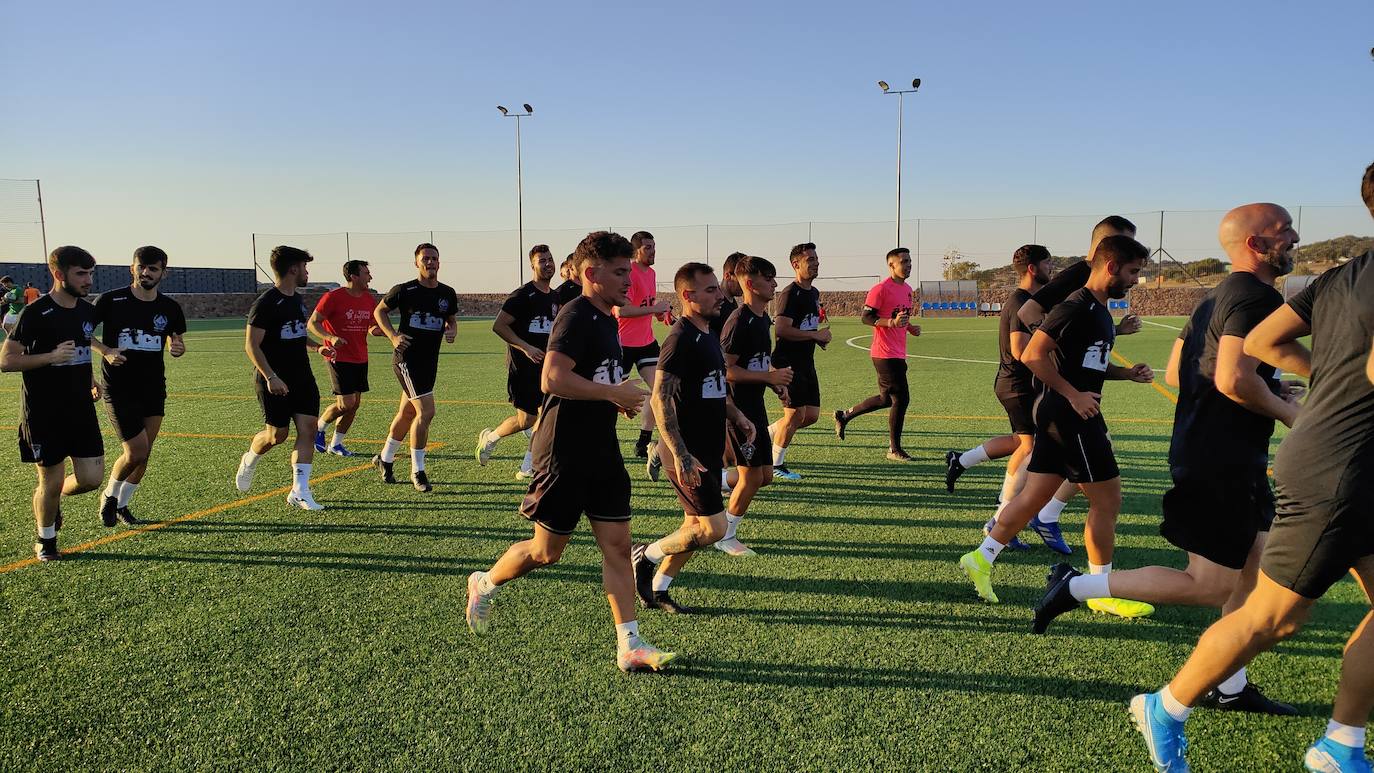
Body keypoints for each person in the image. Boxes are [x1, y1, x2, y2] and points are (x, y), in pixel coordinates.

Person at [1130, 165, 1374, 773]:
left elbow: (1268, 341)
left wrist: (1327, 382)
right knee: (1272, 618)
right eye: (1283, 230)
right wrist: (1337, 391)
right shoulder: (1295, 282)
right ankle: (1165, 705)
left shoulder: (1345, 274)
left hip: (1343, 458)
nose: (1293, 238)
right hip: (1339, 472)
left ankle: (1342, 744)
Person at [1035, 204, 1301, 715]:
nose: (1294, 236)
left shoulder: (1213, 297)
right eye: (1282, 229)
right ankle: (1076, 586)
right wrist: (1291, 413)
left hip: (1224, 454)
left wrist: (1268, 383)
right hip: (1218, 460)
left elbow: (1182, 372)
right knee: (1209, 586)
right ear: (1253, 243)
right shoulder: (1258, 297)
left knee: (1254, 565)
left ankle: (1230, 684)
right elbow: (1231, 379)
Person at [464, 231, 676, 673]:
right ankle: (484, 583)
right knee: (546, 552)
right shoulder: (577, 315)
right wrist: (610, 392)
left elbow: (593, 379)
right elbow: (552, 380)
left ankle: (630, 645)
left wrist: (612, 397)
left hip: (602, 450)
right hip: (563, 451)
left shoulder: (606, 318)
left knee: (617, 548)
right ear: (591, 273)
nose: (629, 281)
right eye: (620, 273)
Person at [956, 235, 1156, 621]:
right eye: (1133, 272)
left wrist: (1126, 373)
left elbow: (1085, 365)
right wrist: (1073, 395)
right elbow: (1032, 354)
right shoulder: (1076, 305)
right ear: (1111, 266)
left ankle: (981, 557)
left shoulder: (1098, 309)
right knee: (1108, 499)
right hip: (1071, 417)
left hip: (1061, 412)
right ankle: (1099, 590)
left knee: (1033, 497)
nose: (1135, 280)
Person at [632, 262, 753, 612]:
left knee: (693, 527)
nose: (719, 294)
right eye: (711, 289)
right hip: (686, 451)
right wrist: (681, 454)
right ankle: (646, 555)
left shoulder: (708, 332)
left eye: (717, 288)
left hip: (708, 447)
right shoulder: (680, 338)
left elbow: (714, 388)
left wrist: (737, 415)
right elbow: (659, 396)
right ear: (688, 296)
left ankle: (659, 588)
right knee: (713, 529)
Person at [0, 246, 103, 561]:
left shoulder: (87, 311)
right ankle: (46, 541)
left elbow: (80, 348)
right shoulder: (35, 312)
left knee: (90, 479)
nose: (88, 280)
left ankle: (51, 501)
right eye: (81, 274)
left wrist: (90, 381)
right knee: (50, 478)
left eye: (90, 273)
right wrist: (50, 357)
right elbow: (6, 361)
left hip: (81, 408)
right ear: (59, 275)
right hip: (44, 411)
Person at [93, 246, 188, 527]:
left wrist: (177, 346)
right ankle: (110, 497)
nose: (146, 273)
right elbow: (82, 333)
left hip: (153, 386)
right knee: (135, 452)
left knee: (145, 451)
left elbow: (175, 338)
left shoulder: (169, 307)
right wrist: (106, 350)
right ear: (131, 268)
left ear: (163, 273)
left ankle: (122, 504)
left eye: (153, 268)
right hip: (118, 386)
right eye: (141, 267)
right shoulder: (110, 300)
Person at [234, 246, 331, 510]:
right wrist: (271, 376)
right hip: (274, 379)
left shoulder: (297, 300)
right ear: (293, 269)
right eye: (304, 267)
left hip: (302, 377)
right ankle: (251, 458)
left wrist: (317, 346)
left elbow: (298, 335)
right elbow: (251, 345)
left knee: (308, 430)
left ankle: (299, 491)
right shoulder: (266, 303)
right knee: (277, 436)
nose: (307, 272)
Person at [715, 255, 791, 556]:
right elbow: (726, 370)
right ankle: (725, 534)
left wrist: (774, 383)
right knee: (750, 477)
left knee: (765, 476)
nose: (774, 283)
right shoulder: (739, 320)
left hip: (754, 405)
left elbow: (756, 363)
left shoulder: (762, 318)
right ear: (750, 283)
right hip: (735, 409)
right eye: (768, 277)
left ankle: (717, 478)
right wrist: (768, 376)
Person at [371, 243, 458, 492]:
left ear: (439, 263)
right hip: (407, 360)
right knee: (426, 412)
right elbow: (380, 311)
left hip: (430, 361)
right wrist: (393, 336)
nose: (430, 262)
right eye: (425, 258)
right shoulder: (404, 290)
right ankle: (417, 471)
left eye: (434, 258)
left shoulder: (448, 293)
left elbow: (451, 320)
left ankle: (385, 459)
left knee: (407, 413)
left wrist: (452, 330)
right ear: (416, 263)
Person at [478, 245, 558, 479]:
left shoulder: (554, 297)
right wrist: (526, 347)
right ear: (532, 265)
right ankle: (490, 438)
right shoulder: (522, 295)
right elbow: (499, 326)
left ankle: (528, 465)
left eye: (550, 259)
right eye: (542, 260)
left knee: (545, 417)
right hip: (523, 368)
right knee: (527, 420)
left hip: (546, 368)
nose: (547, 264)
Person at [834, 248, 921, 460]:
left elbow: (901, 316)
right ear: (891, 265)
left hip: (899, 352)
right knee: (901, 398)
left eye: (910, 261)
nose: (908, 265)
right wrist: (890, 323)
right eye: (903, 262)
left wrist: (910, 328)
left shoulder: (908, 289)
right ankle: (894, 449)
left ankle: (844, 415)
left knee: (886, 399)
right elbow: (865, 317)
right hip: (884, 353)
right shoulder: (880, 289)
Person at [769, 242, 830, 480]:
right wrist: (814, 335)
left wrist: (818, 339)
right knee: (794, 416)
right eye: (810, 260)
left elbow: (804, 327)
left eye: (816, 259)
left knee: (810, 416)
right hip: (787, 363)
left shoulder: (813, 293)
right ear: (796, 265)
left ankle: (766, 434)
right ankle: (776, 464)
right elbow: (782, 330)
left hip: (807, 362)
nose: (816, 263)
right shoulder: (789, 294)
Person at [307, 259, 379, 457]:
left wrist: (383, 331)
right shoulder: (333, 297)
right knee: (345, 404)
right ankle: (319, 428)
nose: (370, 277)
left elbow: (371, 326)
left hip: (360, 357)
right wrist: (330, 338)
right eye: (366, 273)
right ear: (354, 276)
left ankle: (336, 444)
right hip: (338, 357)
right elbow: (312, 324)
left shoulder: (368, 299)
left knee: (354, 405)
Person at [614, 231, 672, 459]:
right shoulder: (628, 273)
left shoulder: (652, 273)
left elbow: (646, 305)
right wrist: (654, 309)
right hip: (622, 346)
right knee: (610, 399)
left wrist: (661, 314)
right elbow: (622, 310)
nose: (653, 250)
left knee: (660, 391)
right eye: (648, 247)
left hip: (646, 343)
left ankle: (645, 443)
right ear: (635, 251)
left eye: (654, 246)